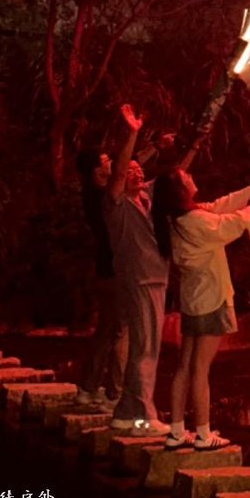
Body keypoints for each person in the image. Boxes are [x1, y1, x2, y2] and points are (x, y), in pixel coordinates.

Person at [152, 165, 250, 450]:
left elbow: (224, 204)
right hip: (210, 300)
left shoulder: (178, 219)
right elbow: (230, 223)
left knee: (185, 366)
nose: (191, 177)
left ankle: (177, 432)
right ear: (179, 190)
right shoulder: (195, 220)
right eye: (185, 177)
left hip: (193, 300)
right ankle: (203, 435)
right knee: (200, 369)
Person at [104, 103, 171, 436]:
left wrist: (194, 145)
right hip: (141, 279)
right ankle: (144, 417)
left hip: (155, 278)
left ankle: (125, 412)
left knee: (145, 347)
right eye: (131, 171)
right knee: (145, 348)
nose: (137, 174)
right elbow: (117, 174)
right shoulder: (116, 204)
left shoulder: (146, 198)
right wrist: (132, 133)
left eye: (139, 170)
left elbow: (175, 178)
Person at [73, 148, 127, 408]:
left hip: (105, 270)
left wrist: (154, 149)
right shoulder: (102, 197)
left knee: (106, 332)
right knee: (119, 332)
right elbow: (122, 173)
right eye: (106, 161)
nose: (112, 163)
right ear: (97, 170)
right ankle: (116, 393)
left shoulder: (91, 194)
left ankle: (89, 387)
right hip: (114, 271)